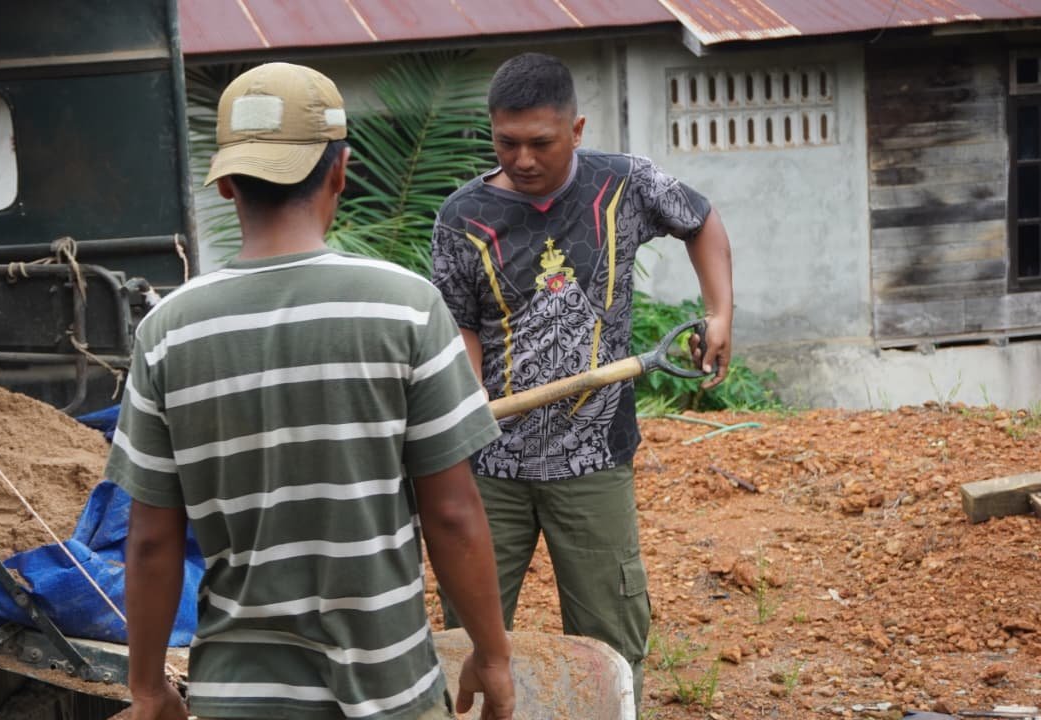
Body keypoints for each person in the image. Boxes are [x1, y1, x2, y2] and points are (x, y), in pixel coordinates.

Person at [107, 62, 515, 720]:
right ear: (341, 172)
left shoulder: (167, 332)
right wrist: (492, 655)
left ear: (228, 184)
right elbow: (452, 513)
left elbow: (152, 540)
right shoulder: (407, 309)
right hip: (388, 691)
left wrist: (149, 688)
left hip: (238, 696)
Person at [430, 52, 734, 708]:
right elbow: (461, 323)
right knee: (471, 634)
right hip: (491, 464)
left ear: (576, 129)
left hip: (594, 459)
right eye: (506, 143)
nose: (523, 159)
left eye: (541, 143)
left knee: (608, 630)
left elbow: (700, 220)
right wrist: (471, 391)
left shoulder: (623, 184)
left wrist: (719, 312)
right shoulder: (462, 217)